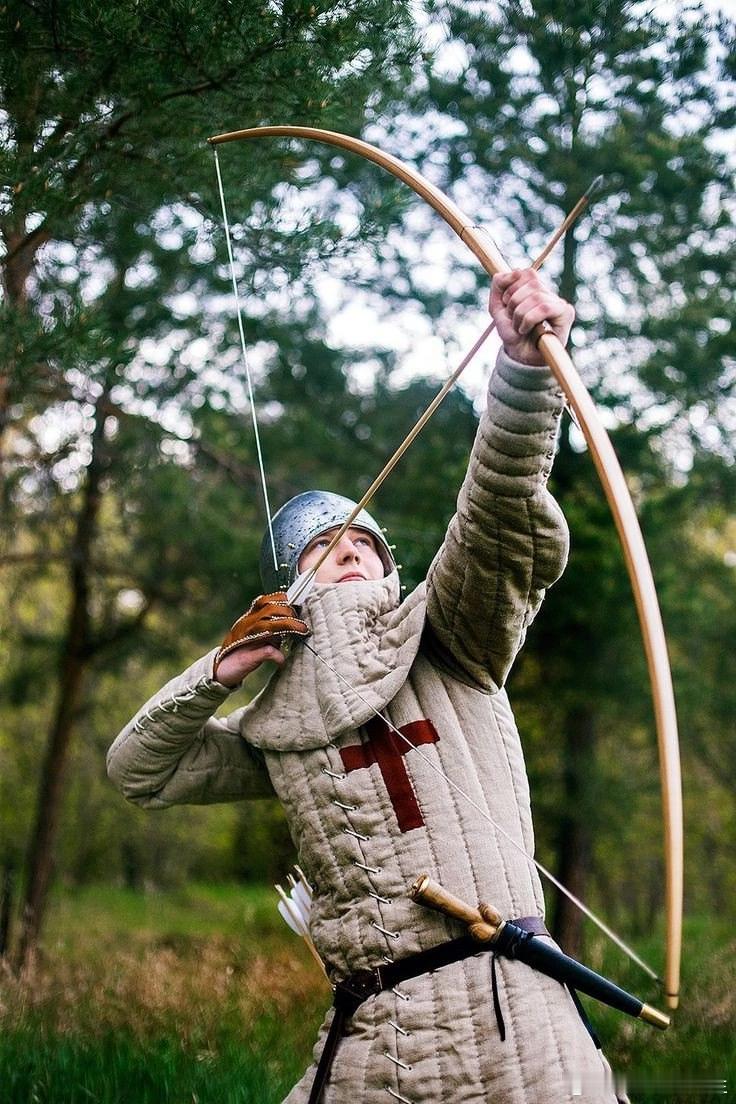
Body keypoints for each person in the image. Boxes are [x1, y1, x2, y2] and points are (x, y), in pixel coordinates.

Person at [108, 269, 618, 1103]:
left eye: (364, 545)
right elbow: (138, 770)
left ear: (388, 566)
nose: (347, 550)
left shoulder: (450, 635)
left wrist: (523, 376)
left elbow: (490, 520)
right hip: (377, 1031)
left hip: (511, 1010)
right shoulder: (273, 724)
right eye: (321, 548)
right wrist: (215, 674)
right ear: (288, 583)